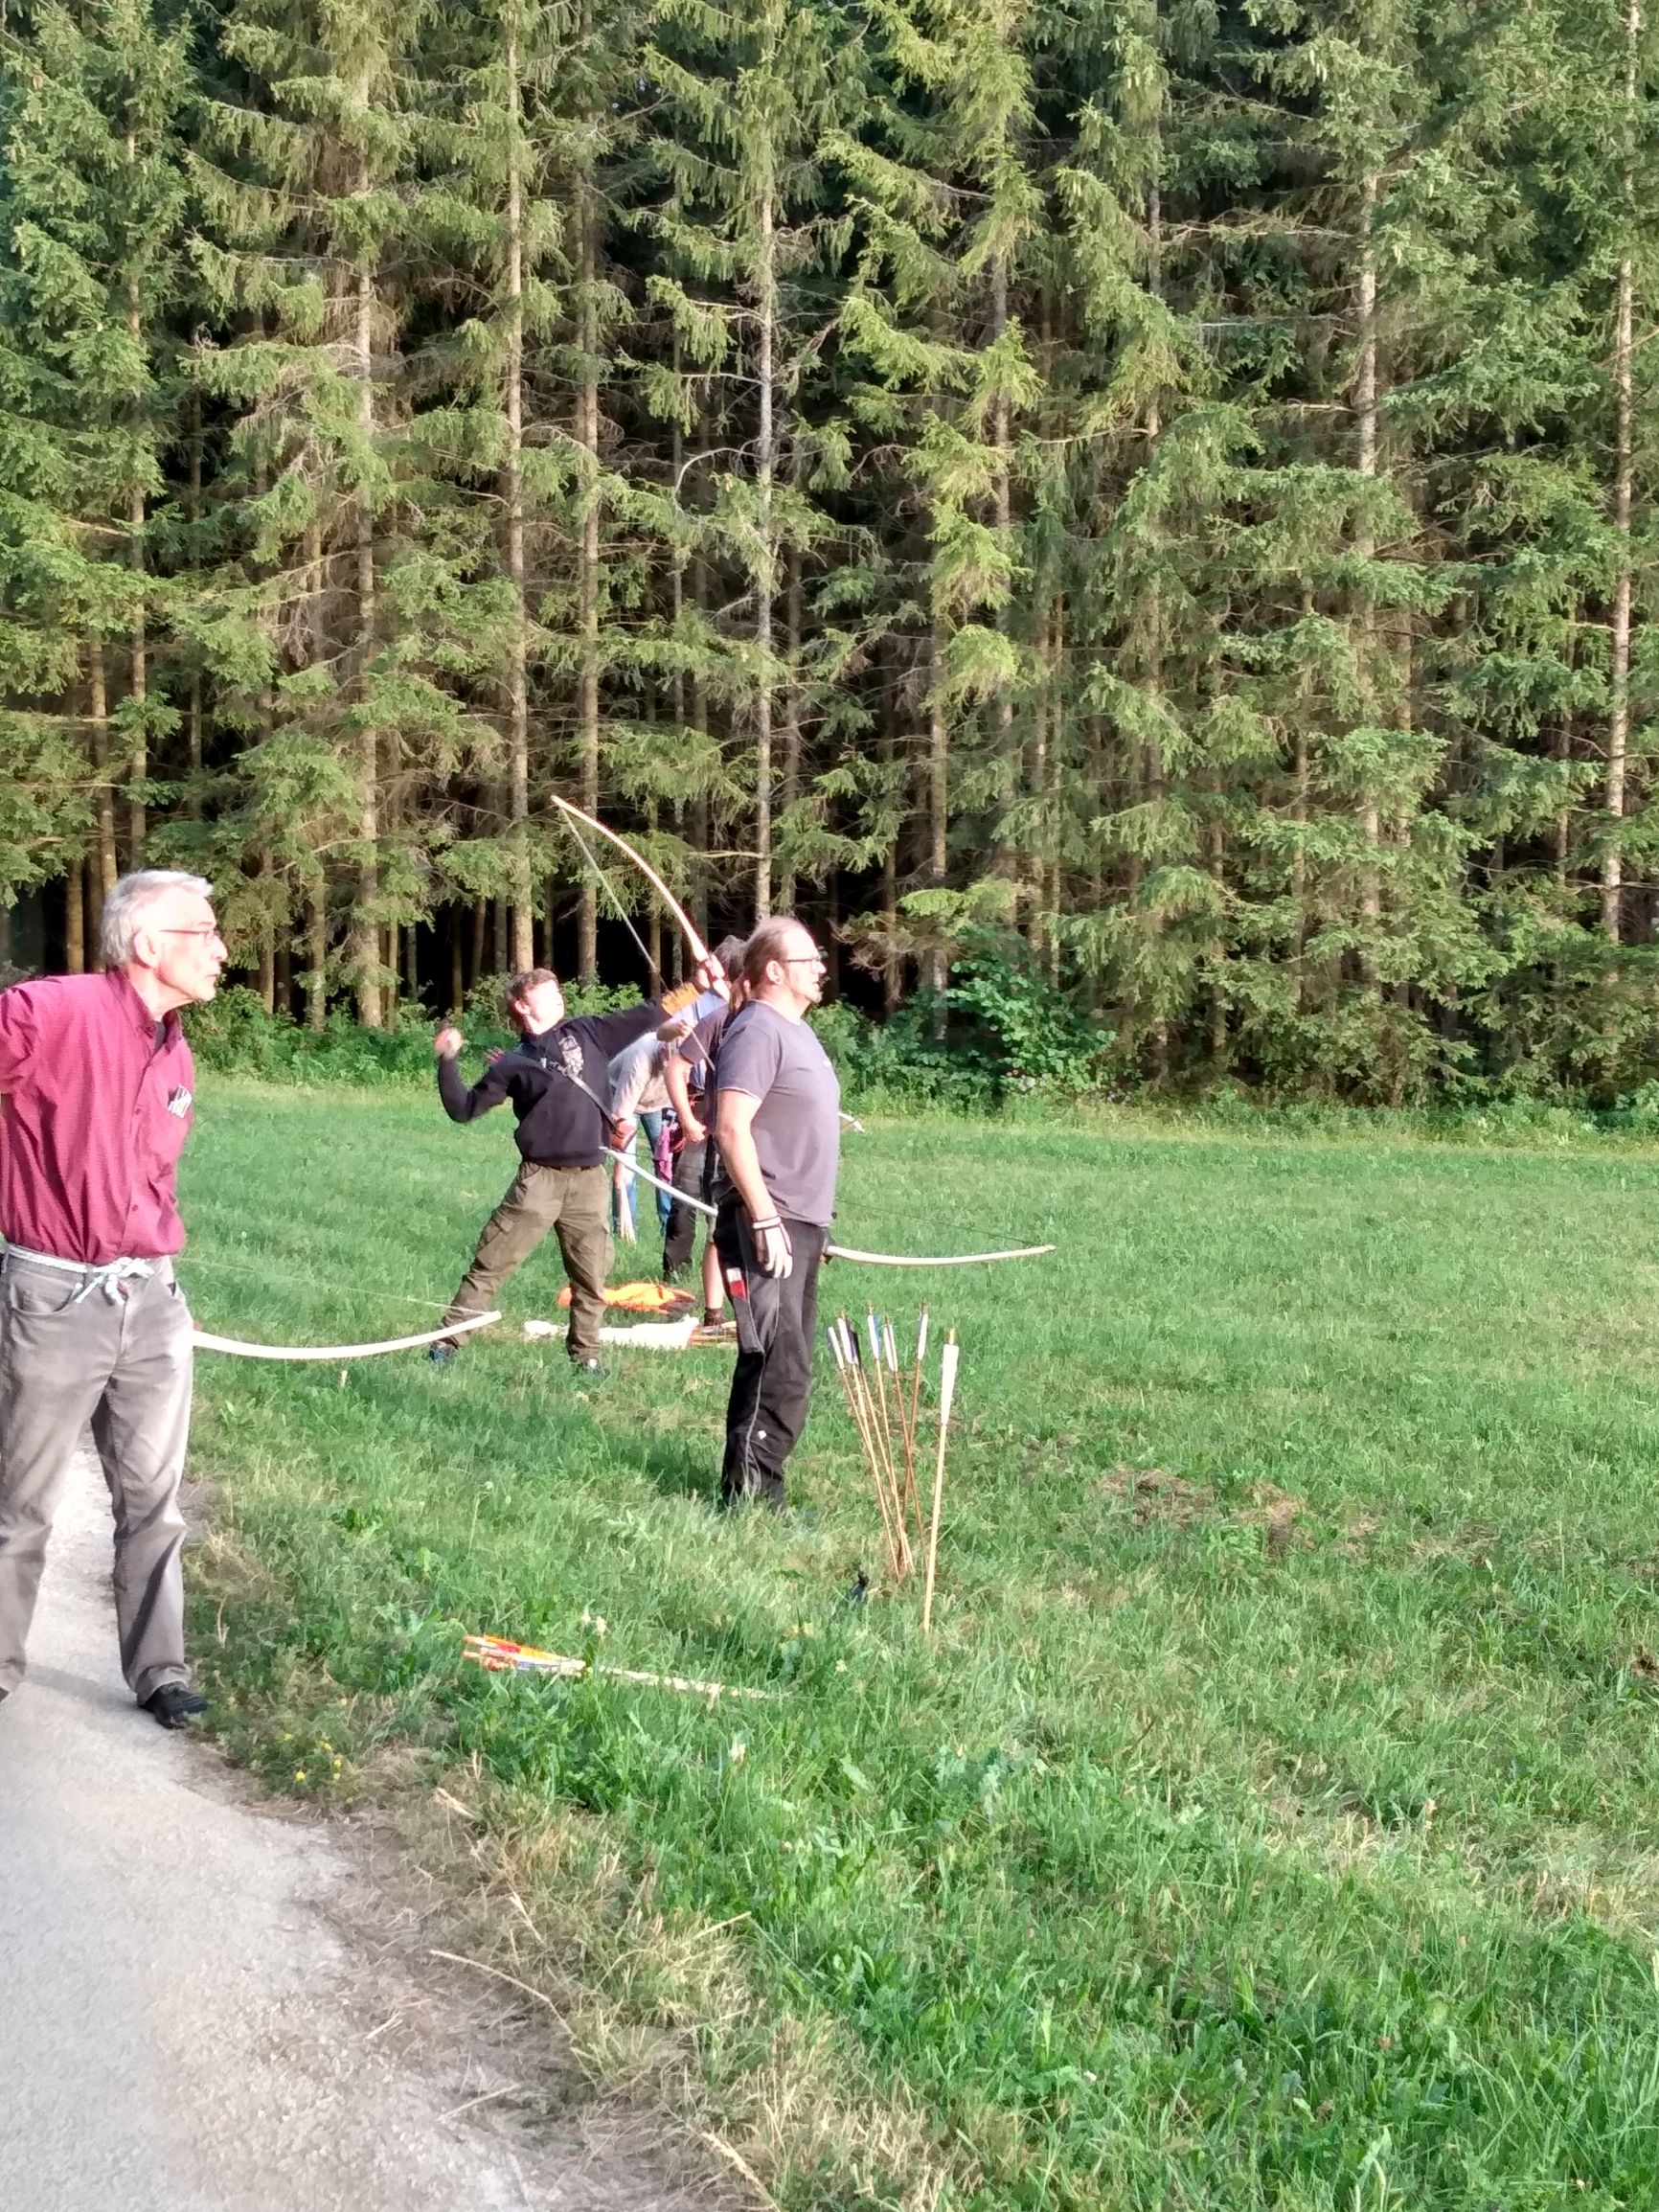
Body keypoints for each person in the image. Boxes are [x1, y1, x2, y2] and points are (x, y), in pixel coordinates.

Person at [0, 870, 226, 1728]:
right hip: (52, 1297)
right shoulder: (47, 1012)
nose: (222, 949)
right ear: (147, 944)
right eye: (205, 932)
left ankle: (160, 1671)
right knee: (21, 1505)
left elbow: (151, 1178)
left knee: (153, 1504)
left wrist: (163, 1290)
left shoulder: (175, 1049)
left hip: (152, 1301)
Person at [431, 958, 723, 1372]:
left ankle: (587, 1358)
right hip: (538, 1182)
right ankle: (444, 1344)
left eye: (557, 990)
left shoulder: (588, 1032)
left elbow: (648, 1014)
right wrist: (447, 1061)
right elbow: (463, 1109)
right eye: (546, 993)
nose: (558, 996)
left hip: (589, 1181)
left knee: (591, 1276)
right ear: (522, 1006)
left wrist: (696, 985)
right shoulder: (513, 1064)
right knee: (490, 1265)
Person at [711, 917, 840, 1507]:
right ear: (774, 971)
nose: (820, 968)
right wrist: (765, 1218)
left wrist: (815, 1227)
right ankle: (751, 1498)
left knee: (791, 1364)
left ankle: (757, 1489)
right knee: (776, 1364)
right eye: (808, 959)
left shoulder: (798, 1031)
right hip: (768, 1221)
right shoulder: (758, 1030)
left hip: (799, 1223)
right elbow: (731, 1128)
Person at [662, 935, 747, 1338]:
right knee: (699, 1208)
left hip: (748, 1130)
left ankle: (745, 1310)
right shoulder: (709, 1011)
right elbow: (670, 1054)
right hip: (706, 1119)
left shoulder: (761, 1018)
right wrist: (687, 1118)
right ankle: (703, 1302)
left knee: (735, 1223)